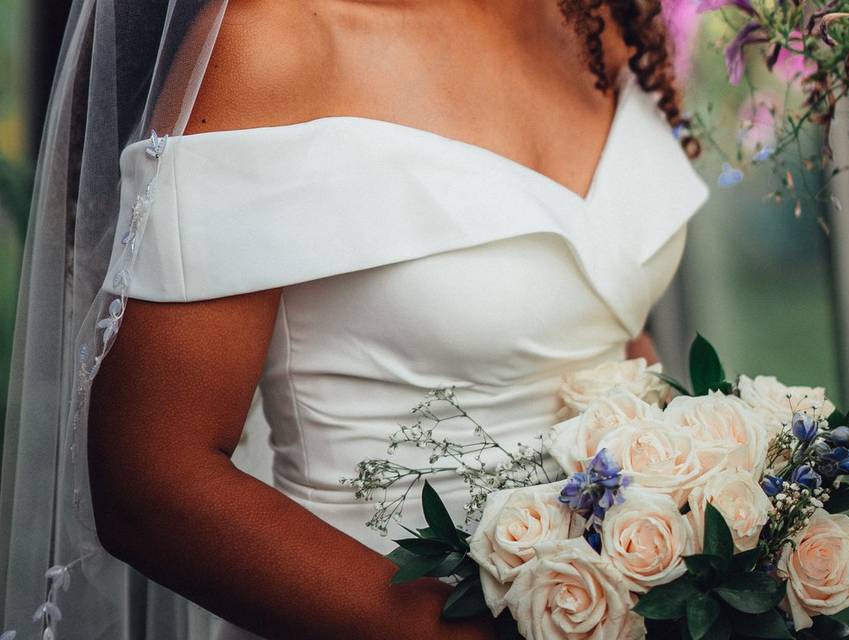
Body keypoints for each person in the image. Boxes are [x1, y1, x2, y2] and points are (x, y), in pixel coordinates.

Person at [1, 1, 708, 638]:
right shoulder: (274, 41)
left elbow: (599, 319)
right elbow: (149, 481)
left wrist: (718, 536)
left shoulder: (592, 18)